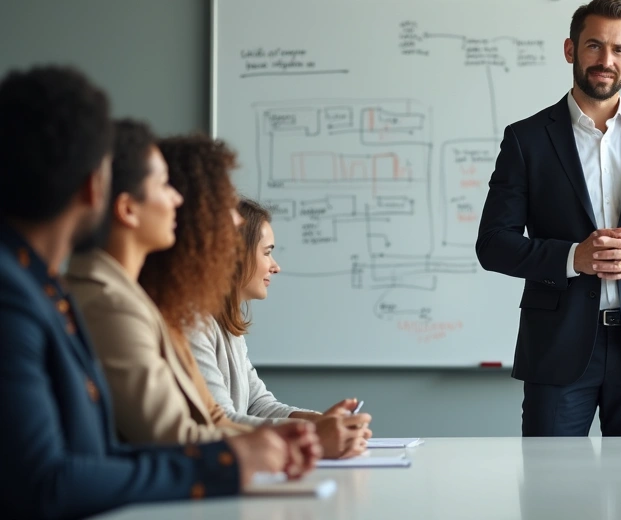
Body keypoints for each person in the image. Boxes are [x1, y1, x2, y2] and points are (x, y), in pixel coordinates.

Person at [0, 66, 318, 519]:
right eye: (164, 186)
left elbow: (98, 457)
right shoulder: (32, 297)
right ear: (98, 188)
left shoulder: (49, 290)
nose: (176, 201)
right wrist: (231, 461)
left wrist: (255, 448)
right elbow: (48, 482)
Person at [476, 0, 621, 436]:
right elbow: (493, 243)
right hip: (557, 348)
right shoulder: (526, 140)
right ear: (570, 50)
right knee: (552, 496)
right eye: (594, 46)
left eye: (619, 49)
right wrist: (572, 259)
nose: (607, 60)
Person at [69, 133, 252, 444]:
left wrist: (299, 436)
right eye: (165, 186)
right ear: (127, 209)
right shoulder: (112, 305)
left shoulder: (154, 304)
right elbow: (173, 436)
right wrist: (293, 444)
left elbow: (214, 417)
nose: (176, 200)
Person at [190, 198, 373, 458]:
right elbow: (221, 420)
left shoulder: (229, 326)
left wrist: (317, 421)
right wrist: (313, 434)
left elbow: (258, 404)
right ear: (234, 255)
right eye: (266, 252)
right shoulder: (195, 325)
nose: (276, 266)